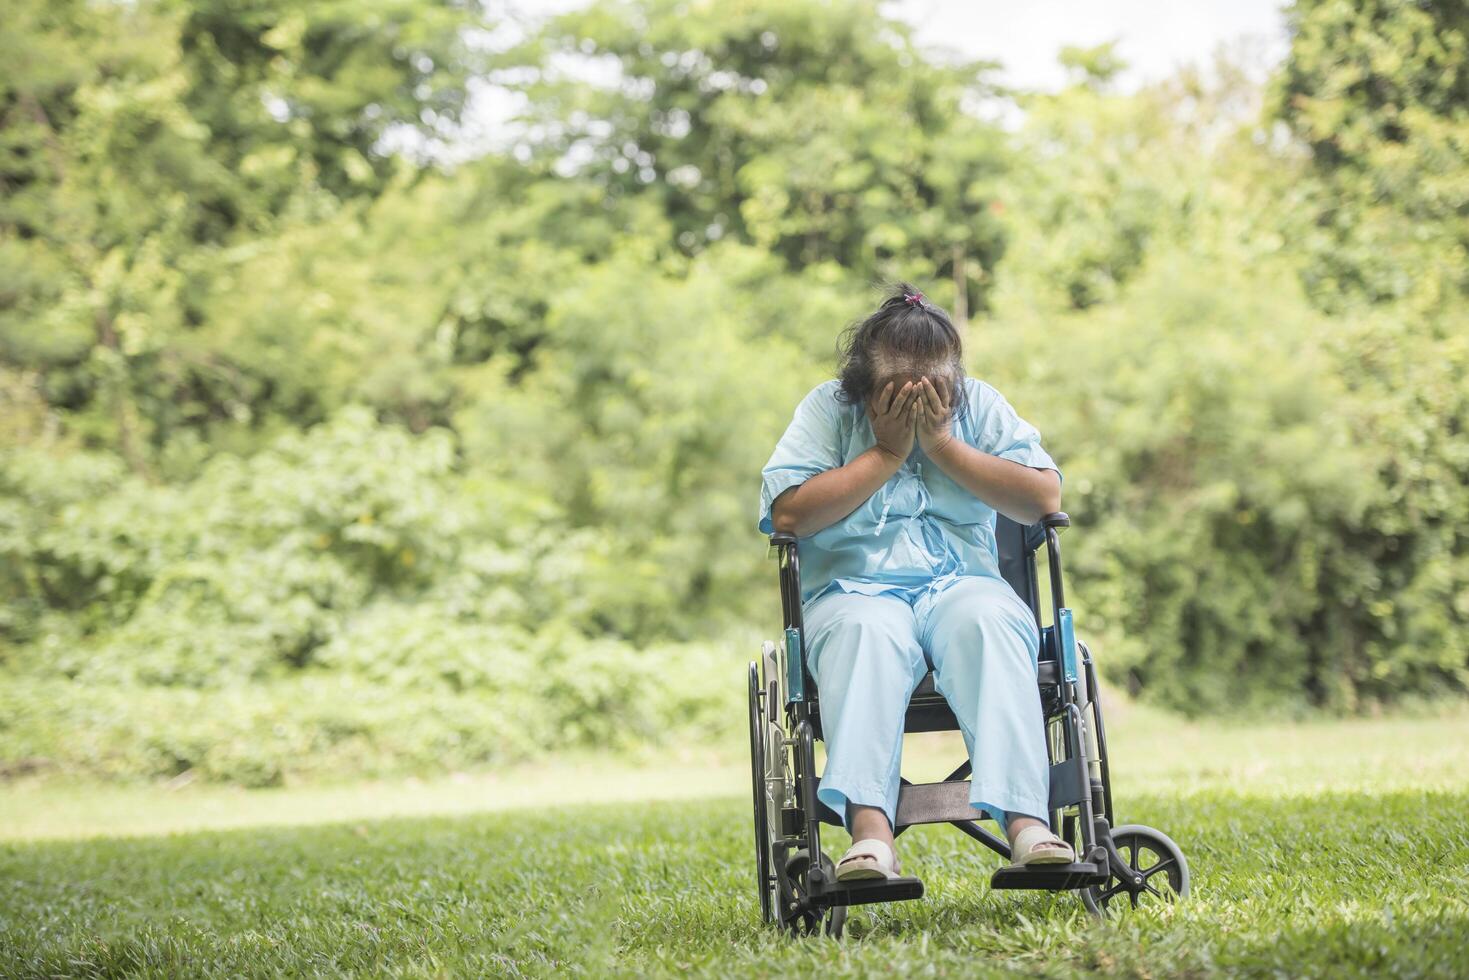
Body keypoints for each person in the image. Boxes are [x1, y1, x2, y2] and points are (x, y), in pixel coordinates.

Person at [756, 282, 1075, 881]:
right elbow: (789, 513)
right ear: (863, 385)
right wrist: (885, 453)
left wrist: (944, 444)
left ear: (952, 381)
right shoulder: (829, 410)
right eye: (899, 393)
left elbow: (1044, 497)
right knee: (865, 631)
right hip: (853, 591)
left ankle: (1027, 823)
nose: (919, 402)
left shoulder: (979, 405)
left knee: (987, 621)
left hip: (962, 584)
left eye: (934, 391)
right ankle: (871, 835)